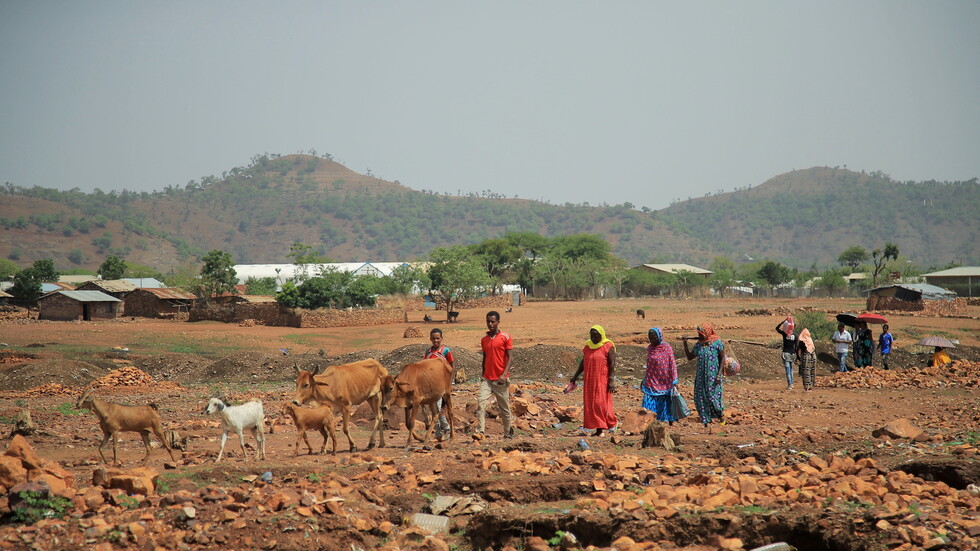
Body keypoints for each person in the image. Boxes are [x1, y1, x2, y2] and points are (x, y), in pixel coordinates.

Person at [569, 325, 618, 436]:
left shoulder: (608, 346)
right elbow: (584, 362)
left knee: (600, 403)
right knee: (591, 404)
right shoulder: (588, 346)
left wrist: (611, 380)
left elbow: (612, 364)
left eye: (596, 336)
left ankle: (605, 425)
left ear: (602, 335)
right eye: (592, 336)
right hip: (590, 379)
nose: (594, 338)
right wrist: (575, 376)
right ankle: (599, 428)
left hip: (602, 379)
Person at [477, 311, 513, 439]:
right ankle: (480, 432)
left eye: (493, 321)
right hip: (487, 378)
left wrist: (504, 374)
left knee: (504, 408)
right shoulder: (484, 340)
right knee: (481, 403)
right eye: (488, 321)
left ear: (498, 322)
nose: (490, 324)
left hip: (500, 379)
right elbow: (485, 357)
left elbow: (510, 357)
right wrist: (482, 374)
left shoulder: (505, 337)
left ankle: (508, 432)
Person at [683, 323, 726, 433]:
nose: (700, 335)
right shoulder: (699, 345)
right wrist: (685, 343)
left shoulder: (717, 343)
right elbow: (690, 357)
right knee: (700, 397)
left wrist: (719, 375)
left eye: (701, 333)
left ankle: (721, 415)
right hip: (701, 376)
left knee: (712, 397)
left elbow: (722, 359)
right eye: (698, 334)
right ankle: (706, 422)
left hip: (713, 376)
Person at [640, 327, 678, 425]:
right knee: (648, 402)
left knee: (666, 402)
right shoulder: (650, 348)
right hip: (651, 381)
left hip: (665, 381)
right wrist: (644, 379)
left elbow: (672, 364)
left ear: (659, 337)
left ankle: (670, 421)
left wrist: (674, 379)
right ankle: (648, 423)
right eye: (650, 338)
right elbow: (649, 366)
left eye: (654, 337)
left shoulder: (667, 348)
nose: (651, 340)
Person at [424, 328, 455, 437]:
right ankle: (443, 429)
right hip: (431, 385)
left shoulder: (445, 351)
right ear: (430, 339)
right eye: (433, 338)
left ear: (441, 338)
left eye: (437, 338)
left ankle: (441, 430)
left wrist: (450, 381)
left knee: (439, 407)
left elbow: (452, 365)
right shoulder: (428, 352)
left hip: (442, 385)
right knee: (435, 408)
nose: (435, 341)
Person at [776, 317, 797, 389]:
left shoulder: (785, 335)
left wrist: (783, 321)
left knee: (787, 370)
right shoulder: (795, 336)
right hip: (793, 354)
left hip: (786, 354)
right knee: (791, 369)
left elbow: (777, 328)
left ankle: (790, 384)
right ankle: (792, 383)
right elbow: (796, 346)